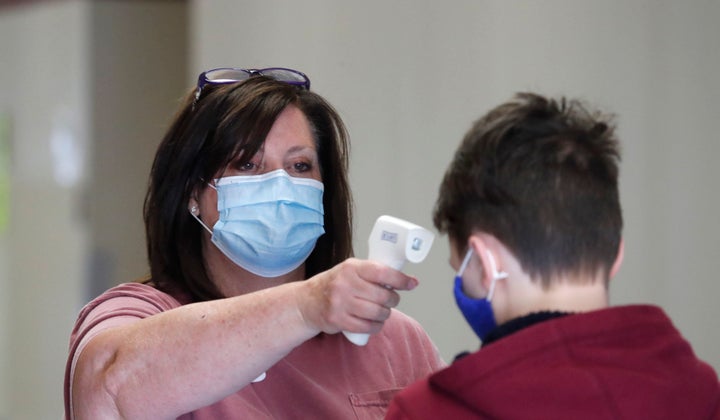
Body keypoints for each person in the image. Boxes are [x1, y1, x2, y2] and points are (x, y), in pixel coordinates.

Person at [63, 67, 444, 419]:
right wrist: (305, 307)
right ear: (193, 192)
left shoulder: (393, 339)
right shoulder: (139, 313)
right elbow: (106, 390)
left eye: (300, 166)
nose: (280, 186)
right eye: (246, 164)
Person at [385, 93, 720, 419]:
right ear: (616, 252)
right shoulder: (703, 393)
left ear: (487, 263)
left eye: (461, 271)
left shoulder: (426, 412)